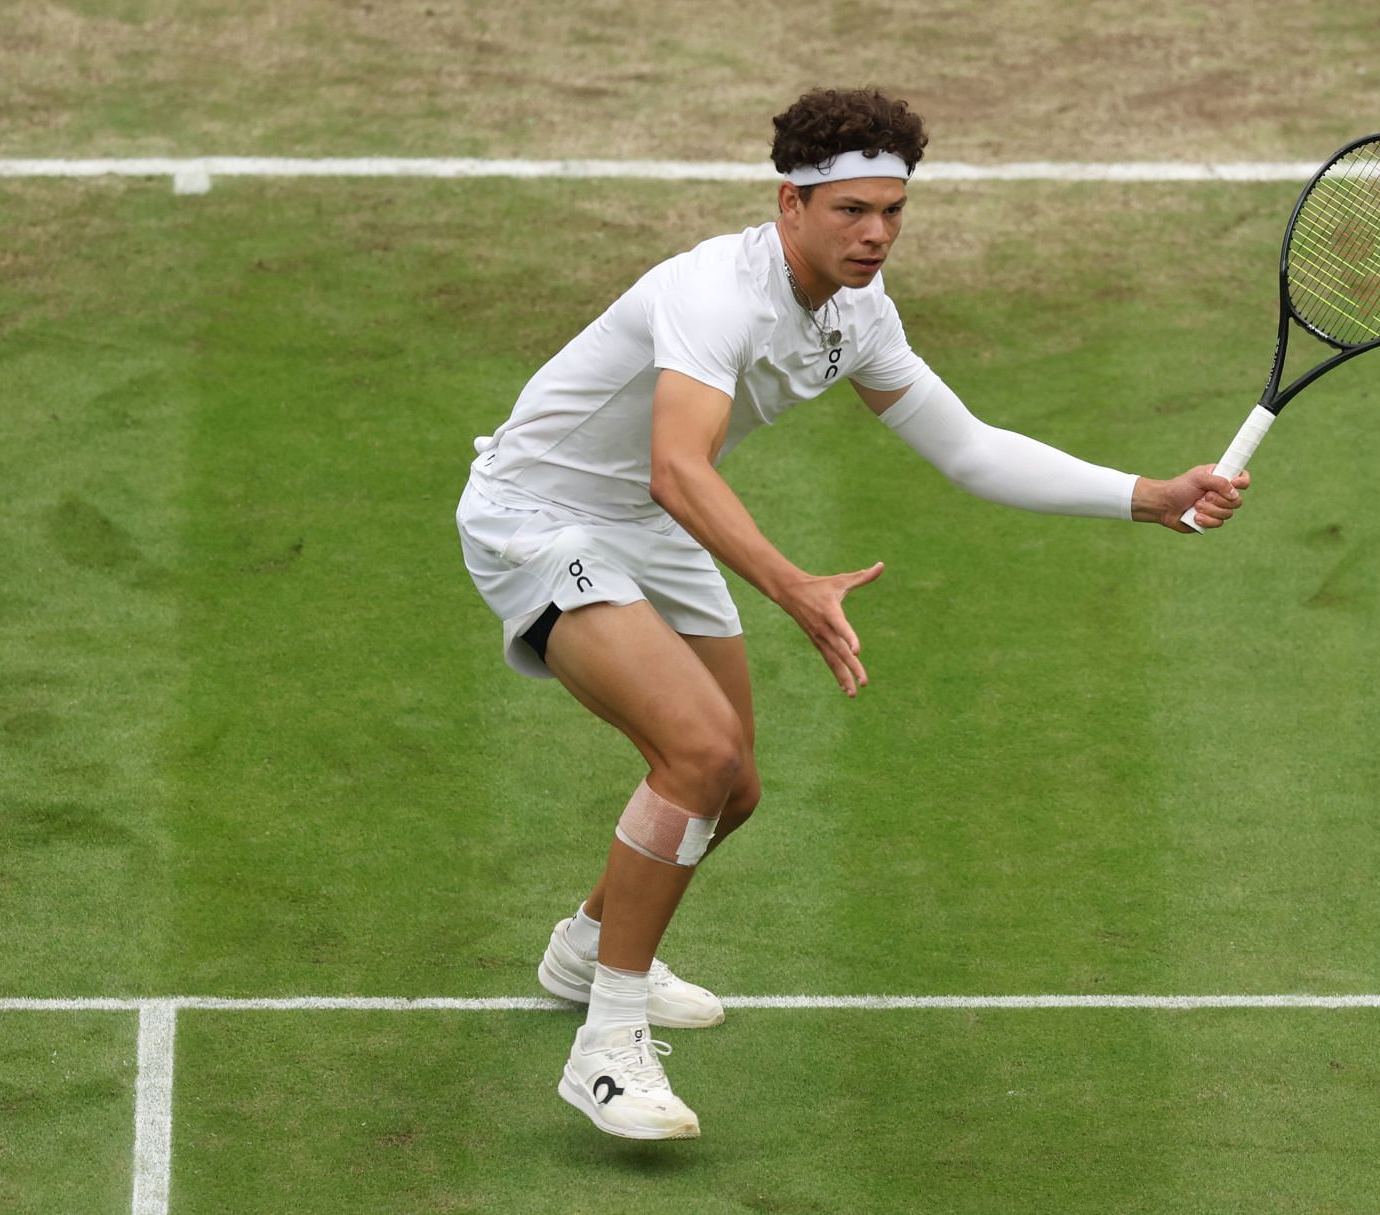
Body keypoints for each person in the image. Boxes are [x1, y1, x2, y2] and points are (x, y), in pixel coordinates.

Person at [455, 87, 1248, 1141]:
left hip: (646, 524)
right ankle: (606, 1047)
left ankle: (586, 950)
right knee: (693, 756)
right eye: (851, 212)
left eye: (893, 212)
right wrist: (792, 585)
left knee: (729, 790)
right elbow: (677, 466)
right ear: (792, 204)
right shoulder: (713, 293)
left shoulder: (859, 314)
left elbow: (966, 448)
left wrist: (1145, 495)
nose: (876, 234)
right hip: (543, 517)